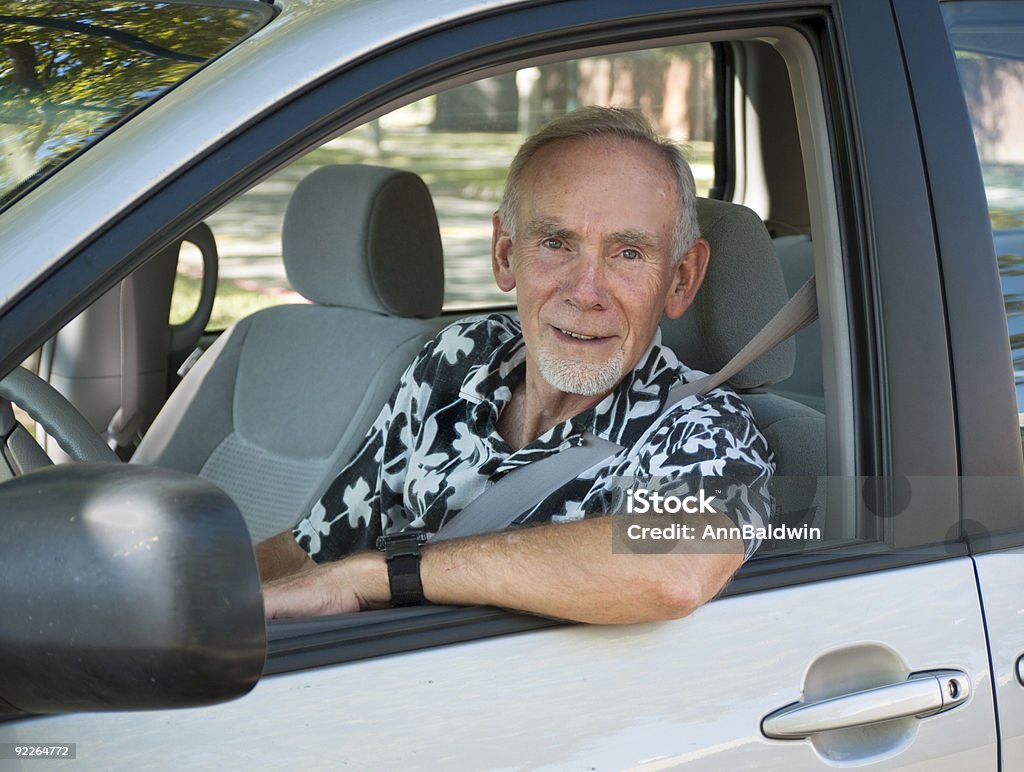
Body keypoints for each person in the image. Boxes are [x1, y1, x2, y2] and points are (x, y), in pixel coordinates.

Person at [258, 106, 774, 624]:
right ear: (505, 254)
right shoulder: (459, 358)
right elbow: (315, 550)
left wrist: (387, 576)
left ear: (682, 279)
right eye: (556, 243)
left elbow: (673, 570)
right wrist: (199, 597)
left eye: (628, 253)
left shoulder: (705, 429)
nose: (585, 292)